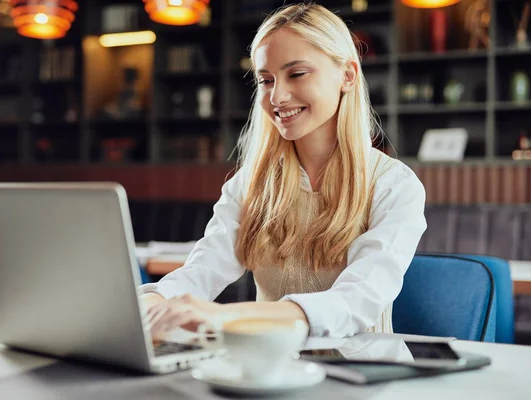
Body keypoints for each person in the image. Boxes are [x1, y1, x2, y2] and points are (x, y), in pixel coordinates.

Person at [140, 3, 427, 339]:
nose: (277, 96)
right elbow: (202, 270)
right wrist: (153, 301)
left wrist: (224, 316)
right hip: (263, 371)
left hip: (359, 375)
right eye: (265, 80)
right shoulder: (250, 184)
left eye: (297, 74)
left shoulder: (395, 185)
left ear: (347, 76)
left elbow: (355, 301)